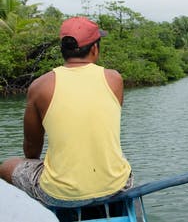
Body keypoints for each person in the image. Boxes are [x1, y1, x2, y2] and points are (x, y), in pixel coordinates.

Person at [0, 17, 132, 207]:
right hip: (117, 187)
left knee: (6, 167)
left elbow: (31, 148)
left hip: (60, 195)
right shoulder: (114, 79)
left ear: (63, 50)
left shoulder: (39, 86)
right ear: (95, 49)